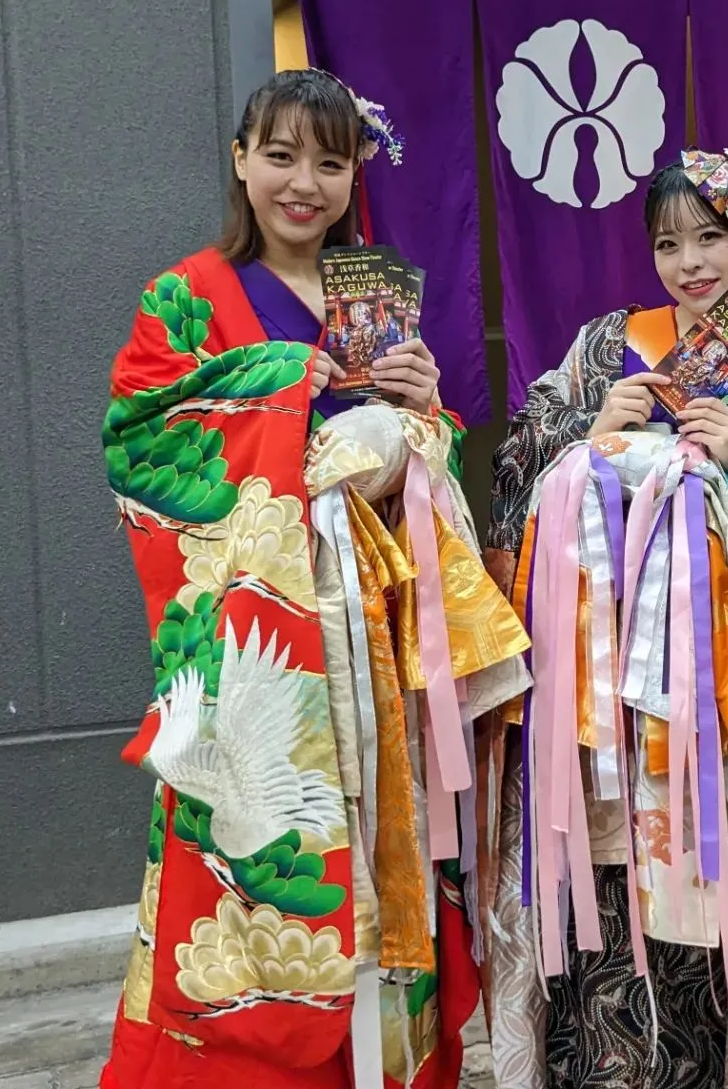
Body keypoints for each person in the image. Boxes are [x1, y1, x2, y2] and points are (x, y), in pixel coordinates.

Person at [99, 70, 530, 1089]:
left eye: (330, 163)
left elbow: (414, 473)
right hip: (269, 658)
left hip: (375, 643)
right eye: (281, 156)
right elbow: (140, 438)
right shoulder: (185, 295)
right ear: (242, 158)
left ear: (354, 175)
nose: (304, 184)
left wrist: (427, 411)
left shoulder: (367, 295)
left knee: (394, 863)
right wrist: (292, 385)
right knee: (260, 873)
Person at [483, 145, 728, 1089]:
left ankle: (699, 1065)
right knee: (598, 878)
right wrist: (585, 433)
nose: (691, 262)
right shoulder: (603, 345)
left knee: (700, 874)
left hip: (704, 690)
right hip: (595, 682)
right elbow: (511, 486)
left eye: (712, 237)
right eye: (669, 243)